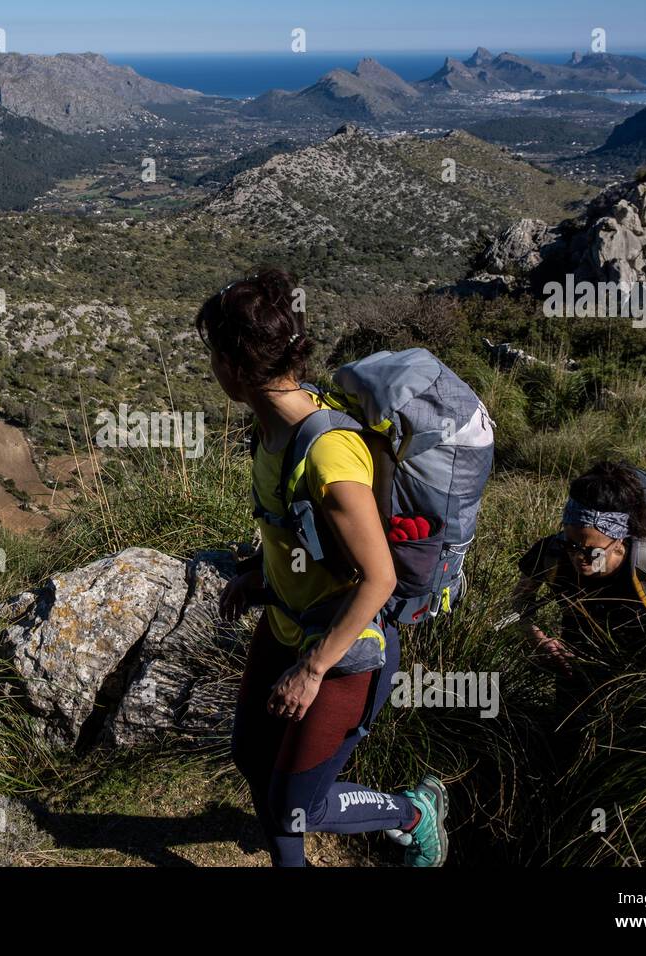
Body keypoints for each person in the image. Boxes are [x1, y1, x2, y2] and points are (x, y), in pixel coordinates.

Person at [197, 267, 448, 868]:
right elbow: (293, 529)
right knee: (253, 758)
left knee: (293, 808)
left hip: (340, 648)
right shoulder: (271, 430)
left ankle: (413, 813)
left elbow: (379, 577)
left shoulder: (329, 453)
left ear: (233, 366)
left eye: (212, 356)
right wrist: (260, 572)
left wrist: (311, 670)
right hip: (285, 621)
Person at [509, 460, 646, 752]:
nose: (580, 559)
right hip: (577, 667)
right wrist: (538, 638)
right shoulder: (551, 552)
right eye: (572, 544)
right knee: (566, 742)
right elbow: (518, 602)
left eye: (593, 551)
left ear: (619, 539)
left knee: (636, 746)